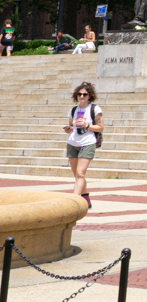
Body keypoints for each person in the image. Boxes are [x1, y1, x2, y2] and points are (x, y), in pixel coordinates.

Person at [63, 81, 102, 209]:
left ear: (89, 96)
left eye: (84, 94)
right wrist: (68, 129)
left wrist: (87, 125)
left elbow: (100, 127)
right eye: (79, 94)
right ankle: (85, 197)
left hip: (88, 143)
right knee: (77, 174)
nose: (82, 97)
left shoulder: (94, 109)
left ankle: (73, 201)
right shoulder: (73, 110)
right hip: (73, 142)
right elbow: (71, 125)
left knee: (80, 173)